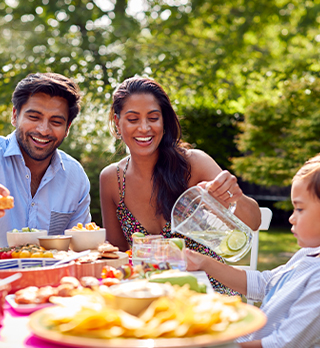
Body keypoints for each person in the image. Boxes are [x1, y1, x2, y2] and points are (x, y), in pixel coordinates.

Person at [100, 76, 261, 294]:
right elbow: (116, 253)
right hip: (148, 293)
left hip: (208, 289)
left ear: (164, 121)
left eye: (153, 118)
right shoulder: (111, 179)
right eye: (133, 119)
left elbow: (253, 222)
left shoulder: (194, 163)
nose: (144, 128)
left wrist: (233, 197)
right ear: (118, 123)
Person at [186, 154, 320, 348]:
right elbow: (265, 285)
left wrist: (219, 345)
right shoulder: (308, 255)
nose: (291, 218)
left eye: (299, 209)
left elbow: (281, 344)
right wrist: (203, 262)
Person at [0, 72, 91, 246]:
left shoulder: (75, 177)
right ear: (14, 116)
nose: (43, 130)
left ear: (67, 128)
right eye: (34, 117)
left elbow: (81, 249)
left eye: (56, 121)